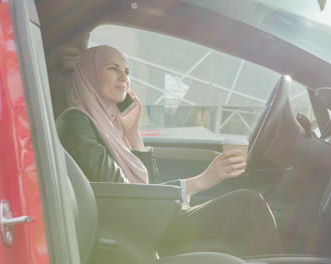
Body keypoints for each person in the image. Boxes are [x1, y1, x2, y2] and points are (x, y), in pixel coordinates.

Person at [56, 45, 282, 256]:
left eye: (127, 71)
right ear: (89, 76)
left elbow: (147, 186)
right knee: (248, 205)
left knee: (248, 204)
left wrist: (133, 134)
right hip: (133, 229)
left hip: (149, 218)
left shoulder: (111, 123)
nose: (124, 78)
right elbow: (124, 194)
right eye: (112, 69)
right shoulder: (76, 122)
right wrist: (203, 180)